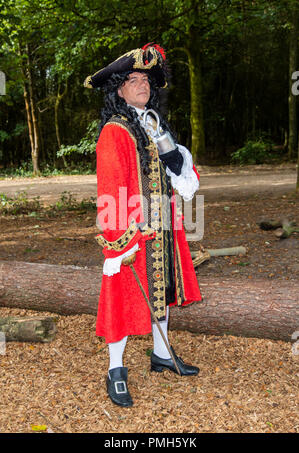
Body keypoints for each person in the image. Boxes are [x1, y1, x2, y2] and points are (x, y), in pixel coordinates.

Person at [84, 43, 202, 407]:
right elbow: (110, 187)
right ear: (119, 89)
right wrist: (120, 239)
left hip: (164, 224)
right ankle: (115, 370)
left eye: (147, 80)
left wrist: (176, 160)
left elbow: (184, 180)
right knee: (122, 298)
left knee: (162, 289)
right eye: (133, 80)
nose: (143, 85)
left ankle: (161, 355)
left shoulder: (154, 124)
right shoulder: (115, 131)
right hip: (134, 230)